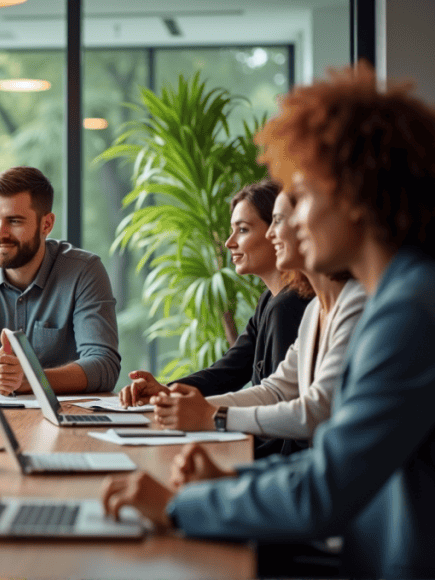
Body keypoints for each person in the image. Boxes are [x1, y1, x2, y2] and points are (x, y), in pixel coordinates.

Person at [101, 63, 435, 578]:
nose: (294, 222)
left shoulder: (409, 312)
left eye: (302, 198)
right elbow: (333, 459)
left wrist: (176, 506)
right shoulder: (399, 294)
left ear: (355, 196)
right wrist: (226, 481)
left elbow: (324, 491)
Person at [151, 190, 366, 447]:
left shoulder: (353, 304)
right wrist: (188, 405)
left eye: (279, 221)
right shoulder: (312, 311)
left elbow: (313, 412)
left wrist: (213, 416)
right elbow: (274, 391)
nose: (271, 234)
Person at [0, 166, 120, 395]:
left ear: (46, 225)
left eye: (14, 221)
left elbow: (104, 365)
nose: (0, 233)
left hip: (63, 418)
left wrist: (30, 379)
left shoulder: (84, 271)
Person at [119, 180, 312, 405]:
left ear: (276, 232)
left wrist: (205, 415)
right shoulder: (270, 299)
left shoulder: (288, 306)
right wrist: (166, 391)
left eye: (243, 230)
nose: (230, 242)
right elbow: (229, 370)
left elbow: (280, 405)